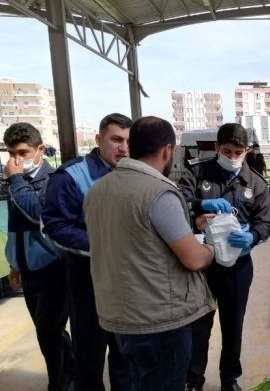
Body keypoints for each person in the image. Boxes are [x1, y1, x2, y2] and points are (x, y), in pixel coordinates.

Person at [83, 117, 217, 391]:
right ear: (168, 150)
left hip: (120, 316)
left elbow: (136, 236)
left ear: (130, 146)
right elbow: (193, 258)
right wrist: (212, 249)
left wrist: (190, 225)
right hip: (159, 322)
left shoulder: (98, 190)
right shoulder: (159, 192)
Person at [178, 123, 270, 391]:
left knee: (233, 325)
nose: (232, 157)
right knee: (199, 325)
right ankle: (193, 380)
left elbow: (265, 221)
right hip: (201, 263)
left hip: (238, 266)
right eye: (227, 151)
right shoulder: (197, 173)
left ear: (247, 151)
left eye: (238, 152)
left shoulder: (256, 182)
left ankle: (229, 379)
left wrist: (252, 238)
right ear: (217, 148)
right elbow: (177, 202)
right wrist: (200, 205)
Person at [41, 113, 132, 391]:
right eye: (116, 139)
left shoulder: (133, 173)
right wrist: (102, 243)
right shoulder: (72, 175)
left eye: (129, 141)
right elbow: (53, 225)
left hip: (127, 277)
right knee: (90, 353)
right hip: (88, 278)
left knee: (125, 351)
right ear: (99, 139)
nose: (123, 148)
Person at [3, 123, 73, 391]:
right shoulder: (15, 180)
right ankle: (71, 368)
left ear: (40, 149)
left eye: (23, 152)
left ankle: (59, 384)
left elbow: (40, 214)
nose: (16, 160)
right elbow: (14, 225)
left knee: (47, 334)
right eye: (12, 153)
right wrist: (14, 263)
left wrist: (16, 181)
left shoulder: (54, 181)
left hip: (55, 269)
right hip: (29, 270)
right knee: (51, 332)